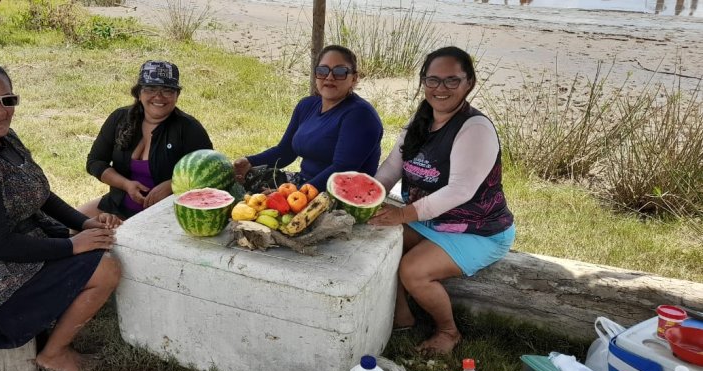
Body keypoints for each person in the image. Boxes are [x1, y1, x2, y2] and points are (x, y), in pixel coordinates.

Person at [0, 59, 122, 371]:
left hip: (15, 249)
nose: (0, 111)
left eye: (8, 100)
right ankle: (53, 354)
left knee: (100, 242)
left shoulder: (3, 136)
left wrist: (83, 224)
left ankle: (53, 316)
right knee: (105, 268)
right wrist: (73, 246)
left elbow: (39, 193)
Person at [368, 47, 516, 354]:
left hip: (478, 231)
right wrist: (367, 194)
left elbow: (459, 191)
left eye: (452, 81)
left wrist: (402, 214)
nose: (441, 88)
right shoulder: (421, 120)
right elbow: (392, 168)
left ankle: (448, 331)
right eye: (433, 80)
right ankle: (402, 316)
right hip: (431, 221)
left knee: (412, 269)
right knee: (376, 240)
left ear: (469, 83)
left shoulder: (475, 128)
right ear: (423, 82)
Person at [233, 45, 383, 192]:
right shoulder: (307, 105)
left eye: (340, 72)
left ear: (354, 78)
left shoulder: (360, 116)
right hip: (303, 182)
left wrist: (296, 194)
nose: (330, 77)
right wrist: (249, 161)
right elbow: (285, 152)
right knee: (234, 182)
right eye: (323, 70)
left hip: (340, 195)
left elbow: (341, 171)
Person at [80, 60, 213, 219]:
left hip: (168, 215)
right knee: (65, 228)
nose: (159, 96)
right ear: (139, 93)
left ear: (177, 95)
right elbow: (95, 162)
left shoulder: (189, 128)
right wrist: (126, 185)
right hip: (116, 206)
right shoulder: (120, 119)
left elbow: (208, 173)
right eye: (150, 89)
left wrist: (173, 185)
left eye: (168, 90)